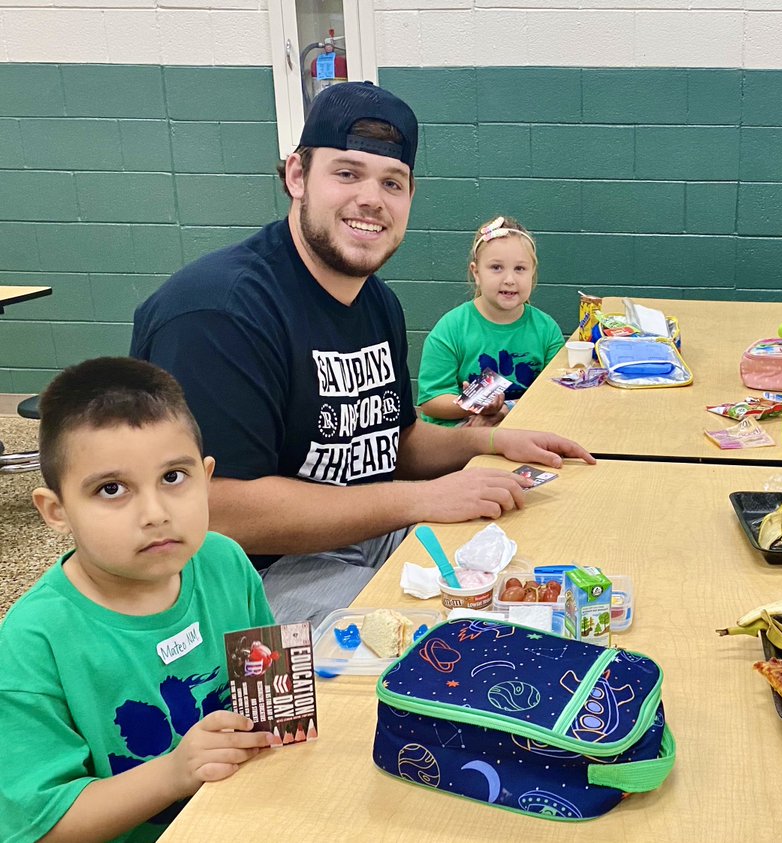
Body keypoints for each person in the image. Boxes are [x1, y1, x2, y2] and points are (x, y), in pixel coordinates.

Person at [131, 82, 593, 625]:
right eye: (347, 173)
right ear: (297, 176)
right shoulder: (218, 312)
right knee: (461, 634)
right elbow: (219, 509)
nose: (372, 199)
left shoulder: (377, 302)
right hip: (243, 585)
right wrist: (422, 500)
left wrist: (493, 440)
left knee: (531, 568)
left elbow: (395, 445)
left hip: (359, 533)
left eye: (392, 182)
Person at [0, 358, 274, 843]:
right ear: (56, 511)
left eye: (174, 477)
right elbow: (39, 827)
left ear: (206, 477)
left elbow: (268, 688)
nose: (155, 513)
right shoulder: (31, 643)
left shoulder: (224, 561)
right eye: (111, 489)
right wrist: (176, 772)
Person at [417, 216, 564, 427]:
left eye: (520, 269)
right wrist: (475, 404)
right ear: (476, 273)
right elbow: (431, 401)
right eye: (496, 267)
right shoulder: (451, 328)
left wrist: (505, 410)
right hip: (462, 432)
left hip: (524, 426)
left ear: (532, 273)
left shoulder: (546, 329)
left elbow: (555, 393)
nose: (509, 279)